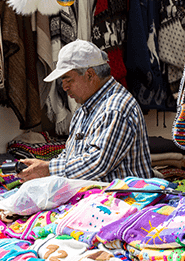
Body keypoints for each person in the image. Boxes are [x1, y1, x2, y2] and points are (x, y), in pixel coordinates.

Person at [18, 40, 154, 183]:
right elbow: (70, 156)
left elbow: (98, 163)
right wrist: (42, 172)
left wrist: (48, 169)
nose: (64, 87)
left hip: (124, 199)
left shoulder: (116, 107)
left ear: (90, 74)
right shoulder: (84, 110)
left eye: (68, 80)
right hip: (100, 197)